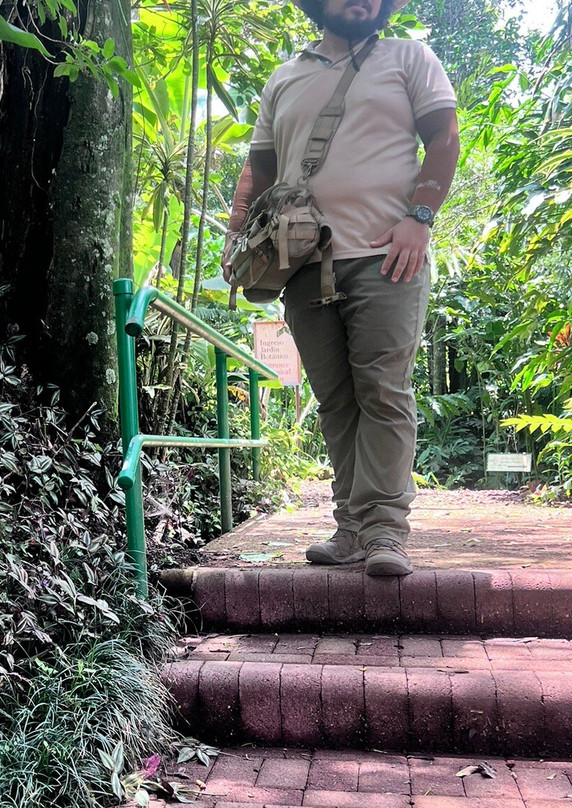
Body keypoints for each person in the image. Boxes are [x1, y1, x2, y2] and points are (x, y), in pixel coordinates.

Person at [223, 0, 459, 576]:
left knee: (383, 390)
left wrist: (420, 218)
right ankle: (351, 528)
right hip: (301, 264)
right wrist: (235, 236)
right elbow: (260, 168)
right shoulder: (285, 77)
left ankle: (385, 531)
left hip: (388, 257)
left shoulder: (409, 58)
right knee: (335, 400)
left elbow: (444, 139)